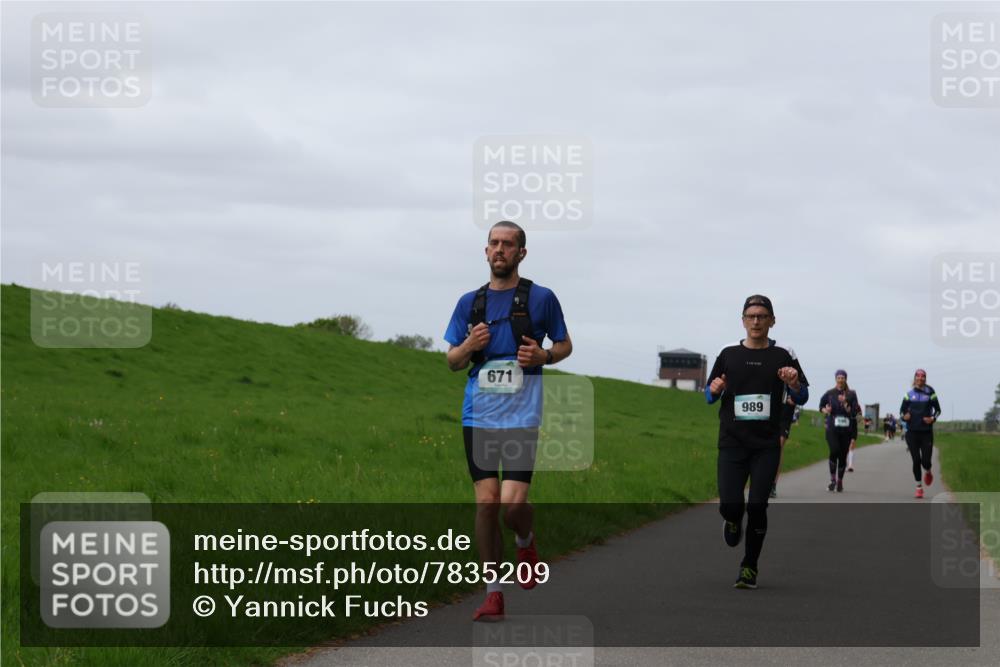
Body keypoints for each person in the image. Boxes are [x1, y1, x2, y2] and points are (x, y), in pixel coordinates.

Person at [445, 220, 572, 621]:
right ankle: (494, 592)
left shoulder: (542, 298)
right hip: (477, 416)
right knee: (486, 503)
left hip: (521, 416)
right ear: (486, 252)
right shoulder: (469, 302)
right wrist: (469, 344)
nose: (499, 250)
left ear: (521, 253)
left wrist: (544, 357)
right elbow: (452, 360)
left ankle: (525, 538)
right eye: (493, 244)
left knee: (513, 506)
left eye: (508, 244)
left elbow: (565, 344)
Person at [706, 295, 809, 589]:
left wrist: (793, 382)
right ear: (743, 320)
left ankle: (749, 567)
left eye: (762, 316)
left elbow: (802, 396)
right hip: (732, 442)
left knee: (758, 506)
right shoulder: (727, 354)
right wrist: (714, 388)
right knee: (731, 505)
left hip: (766, 445)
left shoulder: (783, 356)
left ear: (772, 321)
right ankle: (732, 519)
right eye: (751, 316)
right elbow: (709, 395)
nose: (756, 321)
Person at [900, 369, 942, 499]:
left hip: (926, 433)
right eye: (918, 377)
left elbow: (938, 410)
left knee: (925, 461)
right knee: (916, 460)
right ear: (914, 379)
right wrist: (904, 417)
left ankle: (928, 471)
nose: (920, 379)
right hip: (911, 432)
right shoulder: (908, 395)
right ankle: (919, 487)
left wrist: (932, 419)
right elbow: (901, 412)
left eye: (923, 377)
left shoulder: (930, 393)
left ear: (925, 379)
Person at [818, 370, 862, 491]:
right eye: (838, 377)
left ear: (846, 379)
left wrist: (845, 403)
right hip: (832, 428)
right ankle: (832, 479)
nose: (840, 379)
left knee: (842, 456)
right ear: (835, 379)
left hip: (846, 430)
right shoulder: (830, 393)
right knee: (834, 450)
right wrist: (826, 411)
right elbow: (820, 406)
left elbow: (855, 413)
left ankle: (840, 481)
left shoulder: (852, 394)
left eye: (843, 377)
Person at [771, 397, 796, 498]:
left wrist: (795, 398)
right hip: (769, 410)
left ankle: (773, 484)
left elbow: (802, 392)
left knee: (779, 446)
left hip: (785, 412)